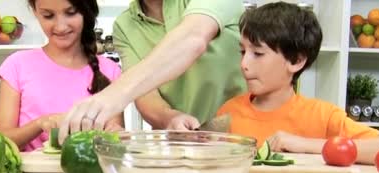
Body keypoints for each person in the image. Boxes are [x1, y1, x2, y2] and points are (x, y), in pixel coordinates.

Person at [217, 2, 379, 164]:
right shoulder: (228, 113)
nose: (244, 64)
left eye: (258, 53)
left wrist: (306, 145)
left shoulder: (324, 116)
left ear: (296, 61)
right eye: (242, 51)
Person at [58, 0, 246, 143]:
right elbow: (146, 96)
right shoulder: (125, 25)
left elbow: (192, 38)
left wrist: (114, 94)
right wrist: (168, 118)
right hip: (184, 148)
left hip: (246, 136)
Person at [0, 0, 122, 151]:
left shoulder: (110, 70)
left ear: (86, 11)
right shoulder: (17, 65)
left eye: (71, 13)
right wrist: (40, 123)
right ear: (35, 12)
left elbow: (115, 137)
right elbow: (0, 141)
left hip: (88, 172)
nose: (60, 27)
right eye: (48, 16)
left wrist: (115, 134)